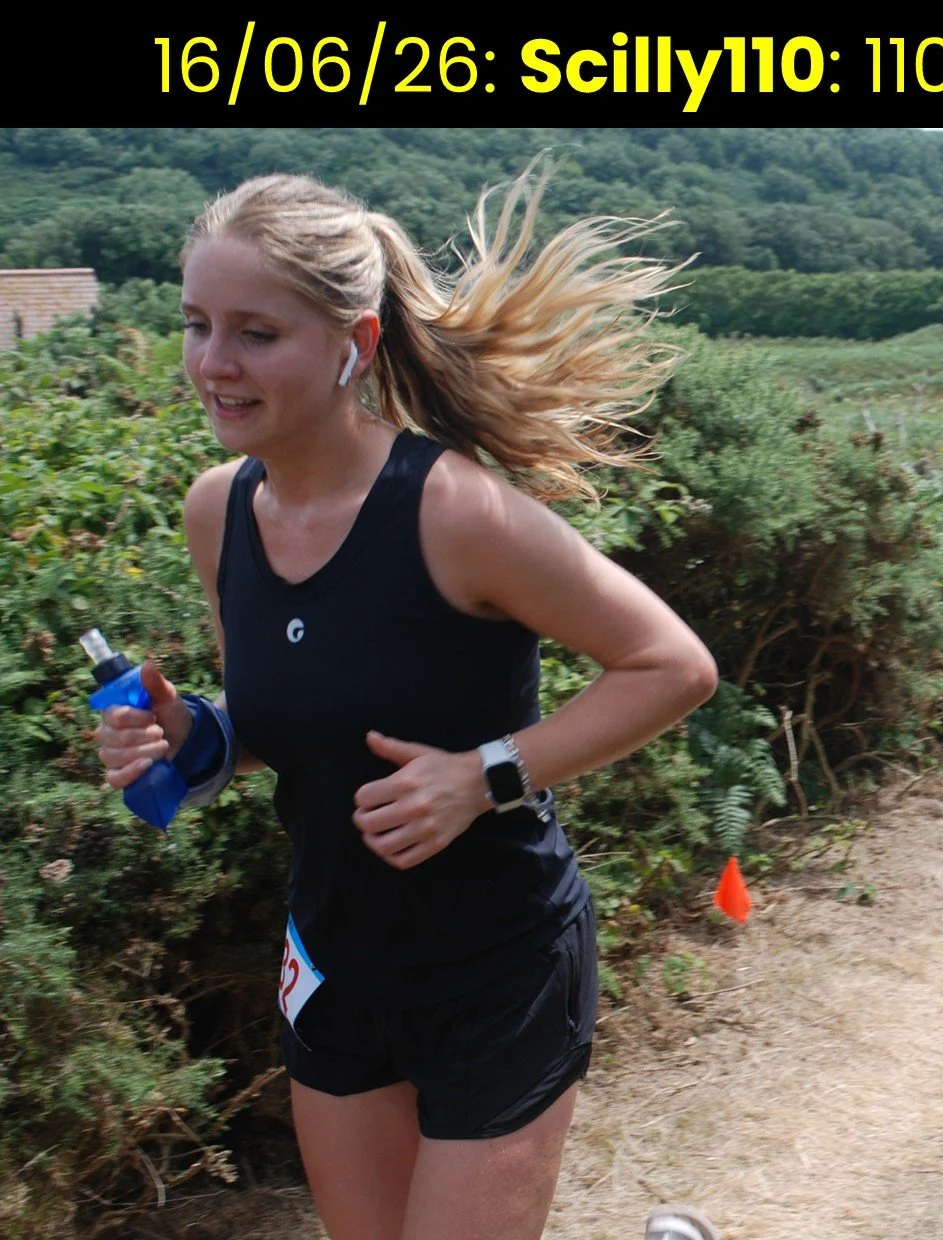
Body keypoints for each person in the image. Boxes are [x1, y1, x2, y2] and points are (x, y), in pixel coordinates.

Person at [91, 164, 727, 1240]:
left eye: (256, 333)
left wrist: (482, 777)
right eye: (197, 323)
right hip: (334, 958)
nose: (212, 362)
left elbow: (671, 665)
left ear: (356, 344)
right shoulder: (219, 511)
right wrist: (189, 739)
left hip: (497, 964)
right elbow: (284, 724)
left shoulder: (454, 512)